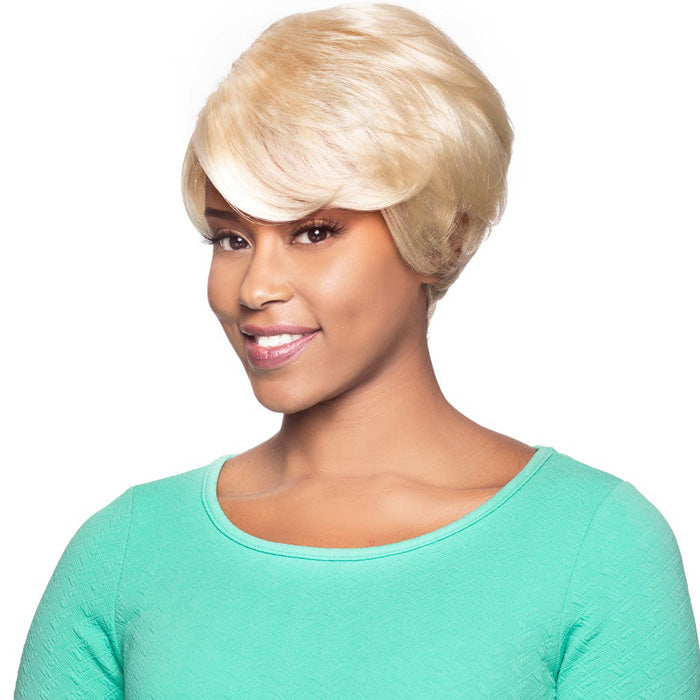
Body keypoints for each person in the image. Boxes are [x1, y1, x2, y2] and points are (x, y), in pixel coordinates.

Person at [14, 4, 700, 698]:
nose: (255, 287)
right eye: (232, 238)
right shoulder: (128, 553)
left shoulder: (590, 545)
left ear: (442, 235)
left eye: (313, 232)